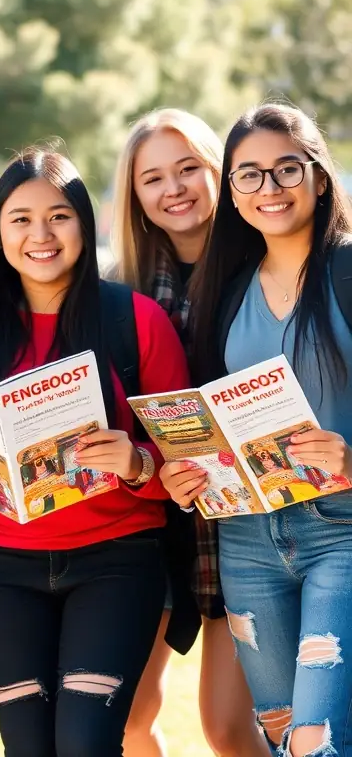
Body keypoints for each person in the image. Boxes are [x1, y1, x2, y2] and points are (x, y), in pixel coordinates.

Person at [0, 148, 190, 757]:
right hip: (0, 570)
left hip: (115, 564)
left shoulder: (136, 320)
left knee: (86, 744)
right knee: (28, 748)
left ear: (85, 223)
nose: (40, 235)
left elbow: (191, 464)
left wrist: (135, 461)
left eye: (58, 216)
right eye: (20, 219)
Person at [163, 103, 352, 757]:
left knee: (316, 740)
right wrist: (184, 470)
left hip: (341, 531)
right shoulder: (223, 291)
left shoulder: (347, 272)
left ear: (320, 178)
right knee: (276, 735)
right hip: (245, 539)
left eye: (286, 170)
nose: (269, 189)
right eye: (249, 176)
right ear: (233, 194)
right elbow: (211, 420)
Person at [112, 108, 267, 757]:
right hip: (158, 523)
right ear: (136, 197)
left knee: (227, 728)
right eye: (153, 178)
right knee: (125, 720)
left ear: (219, 173)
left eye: (189, 169)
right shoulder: (123, 294)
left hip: (249, 522)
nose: (174, 188)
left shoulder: (263, 268)